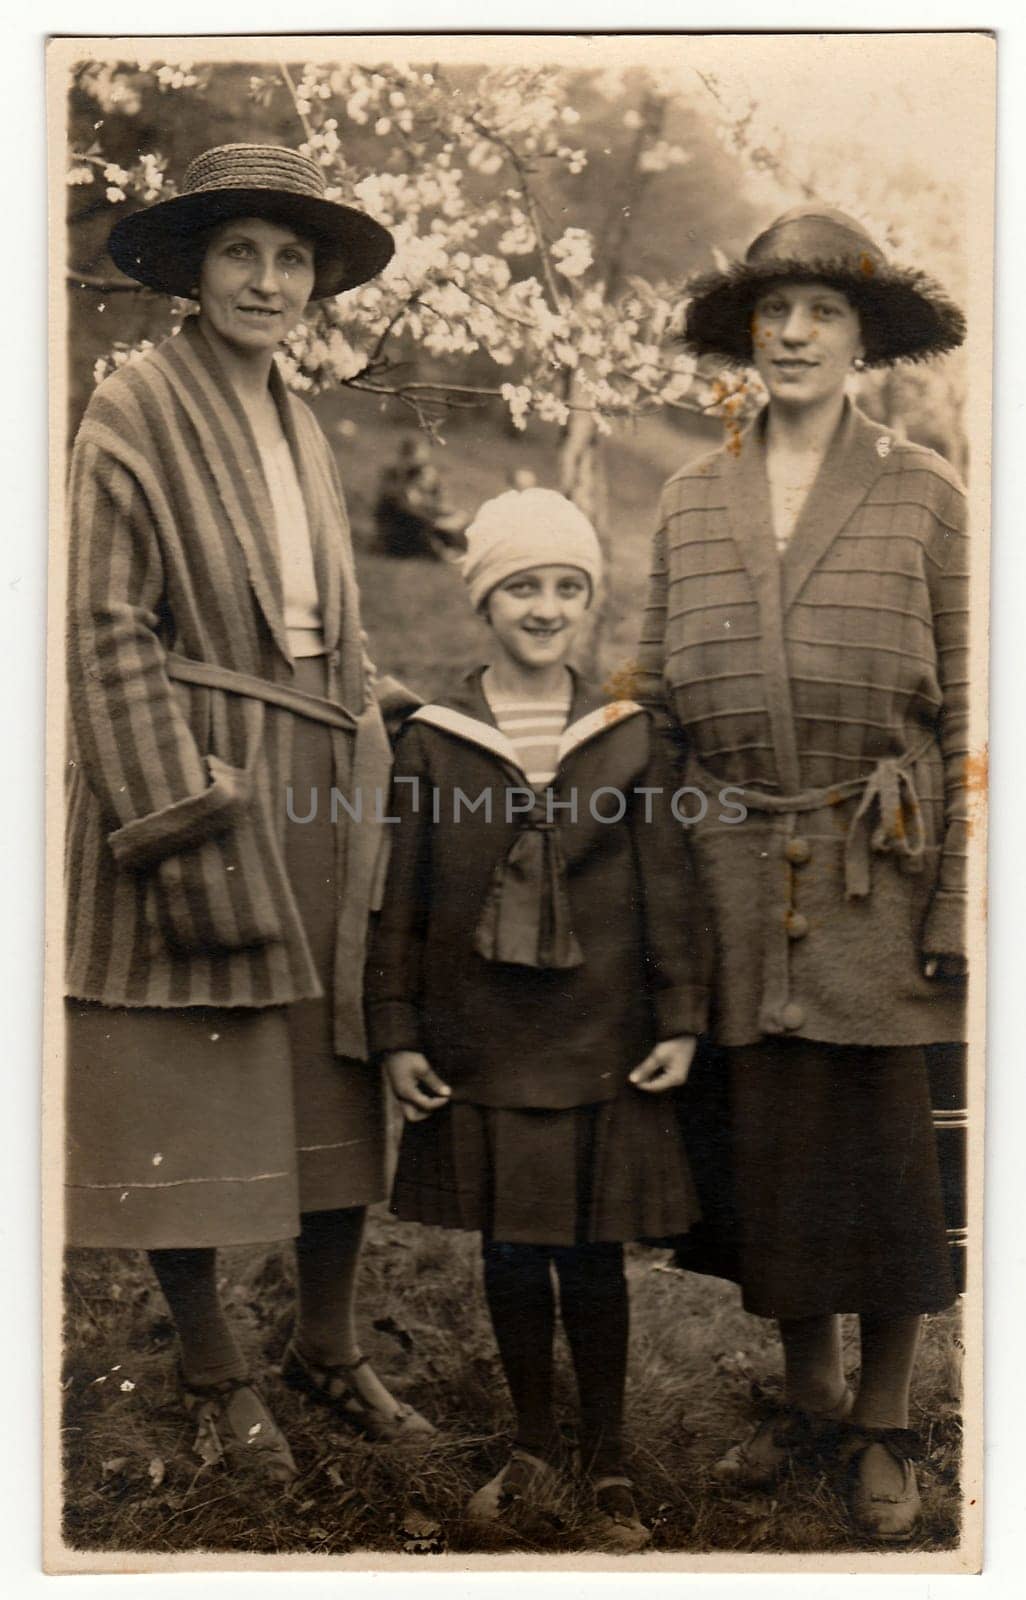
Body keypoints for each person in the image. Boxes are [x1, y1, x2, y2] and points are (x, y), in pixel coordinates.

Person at [65, 142, 431, 1482]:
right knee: (191, 1069)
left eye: (291, 258)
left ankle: (327, 1349)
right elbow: (104, 630)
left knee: (328, 1063)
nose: (268, 280)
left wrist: (397, 713)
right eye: (241, 253)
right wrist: (175, 814)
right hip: (199, 777)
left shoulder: (296, 415)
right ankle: (213, 1363)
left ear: (316, 282)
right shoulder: (133, 407)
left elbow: (318, 630)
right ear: (194, 270)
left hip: (318, 785)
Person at [636, 205, 969, 1540]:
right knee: (769, 1158)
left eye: (821, 312)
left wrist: (956, 897)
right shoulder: (683, 497)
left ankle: (884, 1425)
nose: (791, 333)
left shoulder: (927, 497)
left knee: (883, 1164)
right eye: (772, 311)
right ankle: (807, 1394)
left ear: (861, 338)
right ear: (743, 334)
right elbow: (655, 704)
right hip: (727, 881)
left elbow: (974, 719)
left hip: (875, 883)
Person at [365, 489, 710, 1549]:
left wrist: (680, 1016)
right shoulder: (434, 739)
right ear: (484, 599)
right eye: (522, 585)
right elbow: (404, 895)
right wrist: (398, 1031)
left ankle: (605, 1458)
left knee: (592, 1254)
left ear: (590, 601)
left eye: (567, 586)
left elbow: (668, 884)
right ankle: (532, 1442)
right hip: (482, 1037)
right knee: (513, 1248)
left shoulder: (628, 735)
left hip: (601, 1034)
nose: (546, 606)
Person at [374, 434, 469, 559]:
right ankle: (440, 552)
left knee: (459, 520)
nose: (420, 462)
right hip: (401, 526)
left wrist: (444, 513)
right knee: (421, 524)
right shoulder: (393, 475)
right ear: (405, 456)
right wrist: (435, 520)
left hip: (425, 519)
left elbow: (442, 502)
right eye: (415, 457)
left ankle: (456, 549)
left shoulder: (428, 474)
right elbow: (403, 505)